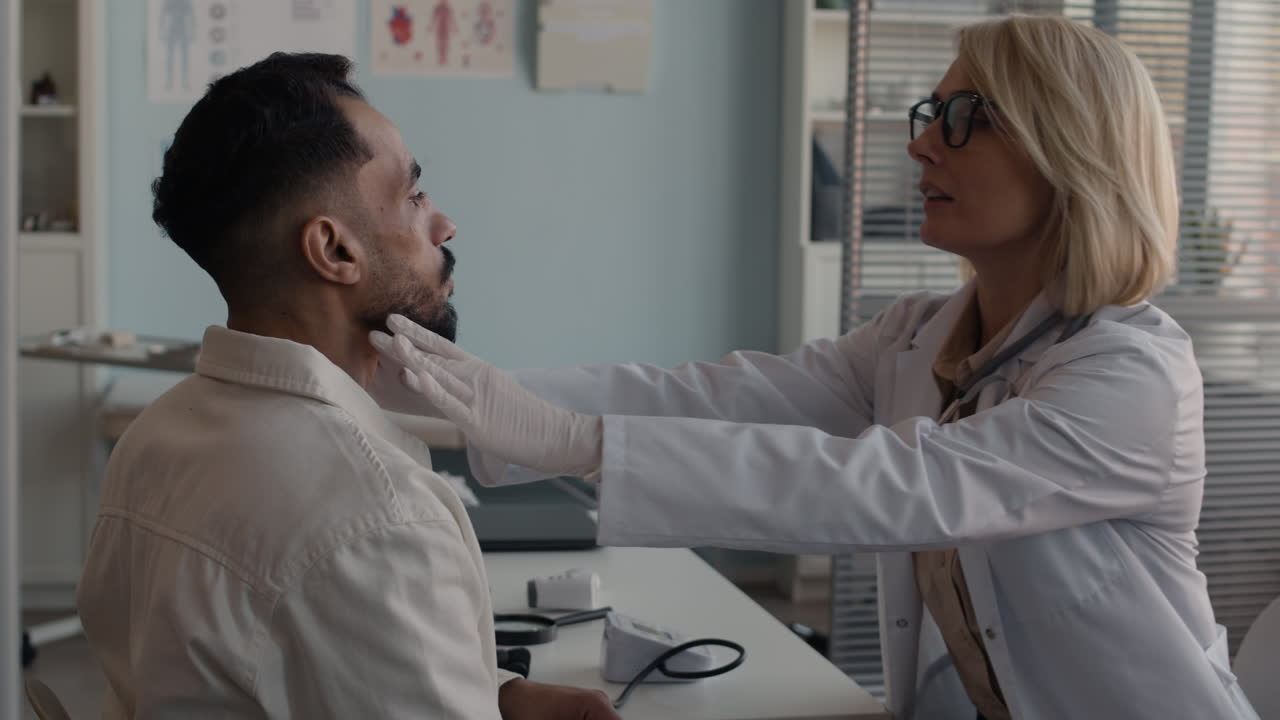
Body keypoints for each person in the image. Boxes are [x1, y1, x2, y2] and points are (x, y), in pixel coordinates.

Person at [372, 16, 1261, 720]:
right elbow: (722, 400)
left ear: (1070, 154)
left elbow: (891, 486)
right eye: (930, 114)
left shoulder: (1133, 379)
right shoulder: (921, 334)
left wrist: (580, 442)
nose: (920, 147)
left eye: (961, 119)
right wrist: (459, 397)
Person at [76, 53, 618, 720]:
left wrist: (496, 694)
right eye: (415, 197)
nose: (443, 225)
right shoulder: (376, 516)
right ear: (334, 251)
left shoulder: (155, 437)